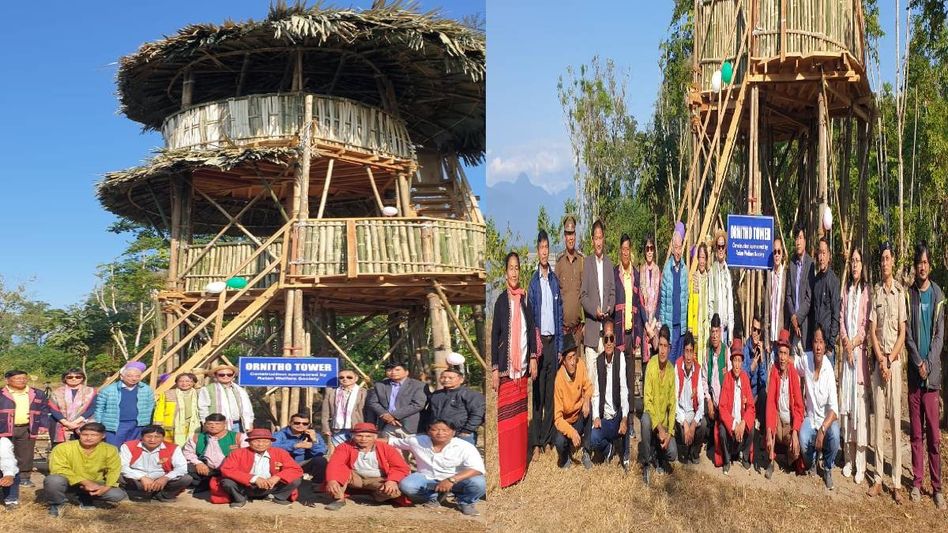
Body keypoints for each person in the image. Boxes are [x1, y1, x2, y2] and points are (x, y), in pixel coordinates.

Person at [490, 251, 537, 488]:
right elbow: (495, 334)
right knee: (505, 423)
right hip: (508, 371)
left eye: (517, 267)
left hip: (522, 372)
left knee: (519, 422)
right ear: (505, 272)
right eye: (511, 267)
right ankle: (507, 473)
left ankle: (520, 470)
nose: (514, 271)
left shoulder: (524, 300)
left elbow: (530, 329)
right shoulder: (500, 301)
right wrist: (495, 370)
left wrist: (533, 357)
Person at [904, 242, 945, 508]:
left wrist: (928, 364)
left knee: (934, 435)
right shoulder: (909, 295)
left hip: (931, 380)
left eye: (925, 262)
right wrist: (917, 361)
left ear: (930, 266)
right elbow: (906, 334)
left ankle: (937, 486)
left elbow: (940, 336)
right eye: (919, 262)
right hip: (914, 376)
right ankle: (917, 482)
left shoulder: (939, 295)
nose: (922, 266)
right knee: (916, 434)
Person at [867, 241, 907, 502]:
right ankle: (879, 478)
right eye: (881, 258)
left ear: (893, 262)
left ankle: (897, 483)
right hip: (879, 363)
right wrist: (880, 359)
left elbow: (903, 332)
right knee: (879, 420)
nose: (884, 262)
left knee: (894, 422)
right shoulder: (877, 294)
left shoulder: (900, 293)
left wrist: (890, 359)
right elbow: (872, 330)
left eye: (888, 258)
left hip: (894, 364)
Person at [390, 420, 486, 517]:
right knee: (407, 485)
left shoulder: (465, 446)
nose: (440, 433)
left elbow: (477, 469)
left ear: (453, 432)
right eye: (435, 430)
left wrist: (451, 480)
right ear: (428, 432)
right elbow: (391, 442)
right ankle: (433, 498)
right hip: (427, 478)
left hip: (456, 480)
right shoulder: (417, 441)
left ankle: (466, 502)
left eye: (445, 430)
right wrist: (374, 437)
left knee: (480, 482)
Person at [527, 228, 564, 454]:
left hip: (553, 344)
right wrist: (533, 350)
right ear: (537, 250)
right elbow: (531, 320)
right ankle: (537, 440)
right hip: (539, 345)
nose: (543, 252)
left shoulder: (553, 280)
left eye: (546, 248)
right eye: (540, 248)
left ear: (549, 251)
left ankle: (549, 438)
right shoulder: (533, 284)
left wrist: (559, 347)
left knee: (551, 391)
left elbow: (559, 316)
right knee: (538, 392)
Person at [44, 422, 127, 517]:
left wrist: (106, 487)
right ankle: (58, 505)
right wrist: (85, 482)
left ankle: (85, 497)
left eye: (94, 435)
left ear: (103, 436)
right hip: (69, 482)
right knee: (53, 480)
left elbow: (114, 470)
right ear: (80, 434)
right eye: (85, 434)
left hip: (95, 483)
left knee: (117, 495)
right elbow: (58, 469)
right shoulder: (63, 448)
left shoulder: (111, 449)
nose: (88, 438)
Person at [322, 422, 409, 511]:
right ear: (353, 436)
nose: (363, 439)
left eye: (368, 436)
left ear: (375, 437)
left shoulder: (387, 448)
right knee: (337, 476)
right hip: (354, 477)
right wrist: (332, 480)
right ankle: (339, 499)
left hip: (378, 479)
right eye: (359, 436)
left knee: (394, 492)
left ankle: (376, 495)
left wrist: (392, 481)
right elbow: (335, 463)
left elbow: (400, 467)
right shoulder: (344, 446)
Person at [838, 246, 871, 485]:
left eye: (858, 261)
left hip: (859, 360)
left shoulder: (866, 292)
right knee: (847, 411)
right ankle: (848, 460)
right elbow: (841, 319)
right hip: (847, 359)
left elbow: (866, 327)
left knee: (859, 412)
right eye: (852, 262)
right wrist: (846, 344)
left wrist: (854, 344)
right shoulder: (847, 292)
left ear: (863, 265)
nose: (855, 265)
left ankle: (861, 464)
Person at [795, 324, 840, 490]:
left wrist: (823, 430)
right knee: (803, 436)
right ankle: (813, 460)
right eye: (815, 342)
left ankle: (827, 466)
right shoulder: (806, 360)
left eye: (821, 342)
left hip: (826, 421)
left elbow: (834, 410)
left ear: (824, 345)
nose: (818, 346)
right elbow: (792, 366)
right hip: (811, 417)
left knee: (835, 435)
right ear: (812, 344)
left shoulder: (828, 369)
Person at [214, 428, 304, 507]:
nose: (261, 444)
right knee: (227, 482)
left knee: (295, 479)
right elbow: (226, 469)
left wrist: (277, 477)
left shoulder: (280, 452)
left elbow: (296, 469)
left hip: (270, 486)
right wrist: (253, 478)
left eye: (265, 441)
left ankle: (277, 497)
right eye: (256, 441)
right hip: (245, 487)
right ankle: (240, 498)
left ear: (271, 443)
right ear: (249, 442)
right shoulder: (238, 453)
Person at [588, 320, 630, 470]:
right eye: (606, 339)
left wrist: (624, 417)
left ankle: (625, 453)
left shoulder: (621, 357)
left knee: (626, 413)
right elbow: (596, 394)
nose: (609, 343)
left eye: (611, 338)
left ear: (615, 339)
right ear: (602, 340)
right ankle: (609, 448)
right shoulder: (598, 361)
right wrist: (596, 417)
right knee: (593, 439)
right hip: (605, 418)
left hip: (617, 415)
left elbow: (624, 390)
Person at [640, 325, 679, 484]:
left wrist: (669, 433)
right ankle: (646, 463)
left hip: (664, 425)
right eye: (660, 345)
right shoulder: (651, 365)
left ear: (669, 348)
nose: (662, 350)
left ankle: (659, 455)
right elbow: (647, 401)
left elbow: (673, 404)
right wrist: (659, 428)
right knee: (644, 420)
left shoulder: (671, 370)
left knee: (673, 454)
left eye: (665, 347)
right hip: (654, 422)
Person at [763, 329, 804, 480]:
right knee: (770, 429)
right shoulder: (774, 372)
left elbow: (799, 407)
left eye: (785, 354)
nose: (782, 358)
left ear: (789, 356)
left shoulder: (793, 374)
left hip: (789, 422)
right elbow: (771, 404)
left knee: (796, 450)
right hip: (778, 420)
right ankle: (771, 461)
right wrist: (768, 429)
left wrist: (795, 431)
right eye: (780, 353)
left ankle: (788, 458)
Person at [581, 218, 616, 390]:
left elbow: (612, 292)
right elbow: (583, 295)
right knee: (591, 380)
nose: (598, 242)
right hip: (592, 330)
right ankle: (591, 416)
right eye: (596, 238)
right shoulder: (587, 263)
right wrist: (593, 311)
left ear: (604, 239)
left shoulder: (609, 264)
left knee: (606, 379)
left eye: (601, 237)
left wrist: (609, 306)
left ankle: (604, 415)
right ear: (592, 240)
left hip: (606, 333)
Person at [0, 369, 50, 486]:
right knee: (3, 452)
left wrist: (43, 424)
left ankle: (24, 477)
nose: (21, 380)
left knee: (25, 453)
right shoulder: (1, 393)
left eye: (23, 378)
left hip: (27, 427)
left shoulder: (37, 393)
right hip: (4, 427)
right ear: (8, 380)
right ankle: (4, 475)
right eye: (17, 378)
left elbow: (44, 410)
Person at [615, 233, 643, 437]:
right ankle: (619, 417)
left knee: (631, 375)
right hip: (617, 334)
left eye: (628, 249)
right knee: (618, 377)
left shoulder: (635, 275)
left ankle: (631, 419)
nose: (626, 253)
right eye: (623, 249)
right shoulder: (615, 275)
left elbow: (639, 306)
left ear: (631, 252)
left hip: (631, 334)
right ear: (620, 252)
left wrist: (639, 334)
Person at [119, 424, 192, 502]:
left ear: (162, 438)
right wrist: (141, 477)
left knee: (186, 478)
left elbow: (181, 468)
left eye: (157, 437)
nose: (152, 440)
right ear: (142, 437)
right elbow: (122, 466)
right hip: (137, 479)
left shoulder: (173, 448)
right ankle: (137, 493)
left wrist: (165, 478)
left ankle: (162, 495)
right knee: (118, 475)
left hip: (161, 480)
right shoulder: (128, 446)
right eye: (148, 436)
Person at [552, 336, 593, 469]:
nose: (572, 362)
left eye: (574, 356)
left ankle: (586, 451)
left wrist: (586, 399)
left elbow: (589, 386)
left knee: (589, 406)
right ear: (563, 361)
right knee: (559, 441)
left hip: (579, 418)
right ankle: (564, 458)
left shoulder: (580, 365)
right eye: (569, 358)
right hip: (566, 423)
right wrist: (571, 432)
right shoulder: (559, 380)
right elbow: (558, 418)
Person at [716, 339, 755, 474]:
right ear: (731, 362)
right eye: (735, 361)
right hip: (731, 429)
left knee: (752, 426)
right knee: (721, 429)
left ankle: (744, 457)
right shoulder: (727, 378)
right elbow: (722, 408)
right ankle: (727, 460)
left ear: (742, 363)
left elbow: (751, 407)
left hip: (741, 428)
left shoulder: (745, 378)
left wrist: (743, 423)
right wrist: (734, 425)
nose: (737, 365)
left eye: (739, 361)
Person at [182, 413, 247, 492]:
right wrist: (198, 463)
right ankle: (208, 483)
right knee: (185, 468)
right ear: (205, 424)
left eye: (217, 424)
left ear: (225, 424)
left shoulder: (238, 436)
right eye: (210, 424)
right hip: (207, 469)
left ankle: (215, 484)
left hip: (230, 469)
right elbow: (188, 453)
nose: (213, 426)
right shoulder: (197, 437)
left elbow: (247, 454)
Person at [94, 362, 155, 448]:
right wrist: (98, 424)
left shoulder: (146, 389)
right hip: (115, 425)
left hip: (138, 425)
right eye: (130, 376)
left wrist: (146, 422)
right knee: (113, 449)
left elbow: (150, 406)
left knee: (133, 449)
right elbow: (99, 408)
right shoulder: (108, 390)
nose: (134, 379)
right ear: (122, 376)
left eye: (137, 376)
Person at [365, 361, 427, 437]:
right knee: (387, 448)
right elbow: (372, 402)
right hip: (387, 425)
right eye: (389, 370)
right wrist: (384, 415)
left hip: (410, 426)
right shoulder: (380, 385)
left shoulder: (418, 385)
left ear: (406, 372)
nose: (393, 372)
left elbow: (418, 404)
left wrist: (393, 415)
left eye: (397, 370)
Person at [426, 367, 485, 445]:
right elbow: (430, 412)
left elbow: (477, 413)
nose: (446, 380)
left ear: (461, 380)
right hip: (439, 433)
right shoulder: (436, 394)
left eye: (450, 378)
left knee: (462, 456)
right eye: (443, 377)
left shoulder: (470, 395)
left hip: (461, 433)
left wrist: (467, 430)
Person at [659, 222, 689, 363]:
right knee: (669, 363)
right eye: (675, 247)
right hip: (670, 327)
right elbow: (663, 303)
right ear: (672, 249)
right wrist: (664, 330)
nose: (678, 251)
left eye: (680, 247)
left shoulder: (684, 270)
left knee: (679, 364)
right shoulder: (666, 271)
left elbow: (686, 298)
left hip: (681, 327)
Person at [675, 331, 707, 465]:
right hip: (681, 413)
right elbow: (675, 402)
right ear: (683, 352)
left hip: (692, 412)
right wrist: (685, 423)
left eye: (691, 352)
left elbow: (701, 404)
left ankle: (694, 451)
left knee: (703, 424)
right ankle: (684, 449)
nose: (688, 357)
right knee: (683, 433)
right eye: (686, 351)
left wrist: (693, 424)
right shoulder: (677, 367)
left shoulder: (698, 369)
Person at [272, 413, 328, 484]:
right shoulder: (280, 434)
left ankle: (317, 485)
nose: (301, 425)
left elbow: (322, 452)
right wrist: (295, 446)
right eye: (297, 423)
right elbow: (272, 447)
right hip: (284, 464)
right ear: (290, 423)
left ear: (309, 425)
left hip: (303, 463)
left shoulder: (313, 435)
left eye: (305, 424)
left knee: (321, 460)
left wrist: (314, 442)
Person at [556, 215, 585, 348]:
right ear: (564, 237)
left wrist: (584, 323)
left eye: (572, 233)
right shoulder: (559, 262)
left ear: (575, 235)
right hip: (563, 330)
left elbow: (585, 293)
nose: (570, 237)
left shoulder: (582, 261)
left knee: (577, 366)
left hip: (578, 331)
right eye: (568, 234)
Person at [810, 237, 841, 366]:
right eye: (819, 253)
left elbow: (836, 314)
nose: (821, 257)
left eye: (824, 253)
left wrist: (830, 344)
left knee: (828, 384)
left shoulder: (833, 281)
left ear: (829, 255)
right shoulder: (816, 280)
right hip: (816, 346)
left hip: (827, 347)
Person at [197, 364, 253, 433]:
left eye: (229, 374)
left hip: (239, 425)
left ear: (233, 375)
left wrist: (249, 422)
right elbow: (203, 408)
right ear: (216, 375)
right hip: (217, 426)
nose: (225, 376)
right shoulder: (207, 389)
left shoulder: (240, 390)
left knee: (238, 443)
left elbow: (248, 407)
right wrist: (205, 424)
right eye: (221, 375)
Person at [48, 368, 97, 446]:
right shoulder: (57, 392)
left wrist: (75, 422)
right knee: (61, 451)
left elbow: (92, 408)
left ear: (83, 378)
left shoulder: (91, 391)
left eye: (78, 377)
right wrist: (66, 423)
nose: (74, 379)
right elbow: (53, 409)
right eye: (70, 377)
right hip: (60, 424)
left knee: (82, 450)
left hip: (83, 424)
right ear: (65, 378)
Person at [786, 222, 815, 352]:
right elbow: (788, 295)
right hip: (793, 327)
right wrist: (793, 317)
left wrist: (798, 318)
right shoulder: (791, 264)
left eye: (801, 238)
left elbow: (809, 298)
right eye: (796, 238)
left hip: (805, 326)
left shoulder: (811, 264)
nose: (798, 242)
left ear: (805, 241)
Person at [741, 317, 769, 454]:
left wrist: (762, 360)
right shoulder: (745, 349)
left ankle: (762, 432)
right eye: (754, 329)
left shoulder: (761, 350)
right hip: (747, 394)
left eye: (758, 330)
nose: (756, 333)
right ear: (750, 330)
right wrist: (752, 368)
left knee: (764, 394)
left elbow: (764, 381)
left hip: (756, 394)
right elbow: (743, 377)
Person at [320, 368, 366, 448]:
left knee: (357, 452)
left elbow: (368, 412)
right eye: (341, 377)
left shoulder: (363, 392)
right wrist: (326, 428)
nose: (345, 379)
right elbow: (325, 413)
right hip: (338, 429)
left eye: (349, 377)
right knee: (340, 452)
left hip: (357, 428)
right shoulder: (332, 393)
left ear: (356, 378)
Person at [153, 372, 201, 446]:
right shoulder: (168, 393)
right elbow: (159, 409)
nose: (184, 383)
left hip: (192, 425)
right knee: (170, 446)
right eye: (181, 381)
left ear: (193, 382)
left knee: (191, 445)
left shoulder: (199, 394)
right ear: (176, 382)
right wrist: (157, 424)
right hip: (171, 425)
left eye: (188, 381)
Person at [708, 229, 735, 346]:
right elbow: (710, 300)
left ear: (725, 249)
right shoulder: (712, 271)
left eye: (722, 247)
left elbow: (730, 302)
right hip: (715, 328)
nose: (720, 250)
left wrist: (731, 331)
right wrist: (712, 327)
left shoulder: (728, 272)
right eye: (718, 247)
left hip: (725, 328)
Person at [764, 236, 787, 365]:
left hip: (781, 338)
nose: (777, 255)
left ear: (782, 253)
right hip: (771, 339)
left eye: (779, 251)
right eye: (775, 252)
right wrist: (767, 340)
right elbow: (767, 310)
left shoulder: (786, 275)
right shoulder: (770, 276)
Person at [688, 242, 711, 365]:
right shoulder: (694, 279)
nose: (702, 261)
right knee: (695, 359)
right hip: (696, 327)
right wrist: (690, 328)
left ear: (707, 260)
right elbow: (691, 304)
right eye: (700, 258)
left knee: (706, 358)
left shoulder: (709, 279)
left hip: (706, 327)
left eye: (704, 258)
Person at [640, 235, 662, 362]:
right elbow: (640, 301)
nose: (649, 251)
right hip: (645, 326)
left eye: (651, 248)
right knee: (646, 367)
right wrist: (647, 326)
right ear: (644, 250)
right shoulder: (641, 271)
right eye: (647, 248)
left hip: (655, 324)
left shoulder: (658, 271)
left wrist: (653, 324)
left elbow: (659, 300)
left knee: (656, 363)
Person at [704, 313, 728, 432]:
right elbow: (703, 380)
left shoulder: (726, 352)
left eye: (717, 332)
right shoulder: (708, 354)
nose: (714, 336)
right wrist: (708, 400)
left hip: (725, 402)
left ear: (721, 332)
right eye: (712, 332)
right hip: (712, 402)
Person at [1, 436, 19, 510]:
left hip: (2, 469)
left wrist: (9, 475)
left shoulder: (3, 442)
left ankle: (11, 500)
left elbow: (7, 459)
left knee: (12, 473)